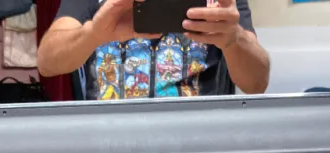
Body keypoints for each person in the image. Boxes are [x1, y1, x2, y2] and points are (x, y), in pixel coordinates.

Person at [38, 0, 270, 100]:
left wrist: (234, 38)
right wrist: (94, 34)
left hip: (199, 147)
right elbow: (48, 62)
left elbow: (257, 83)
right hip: (108, 147)